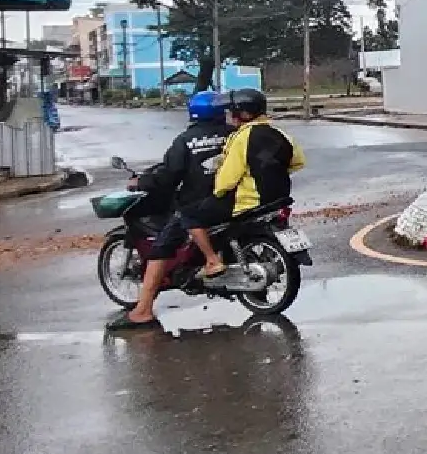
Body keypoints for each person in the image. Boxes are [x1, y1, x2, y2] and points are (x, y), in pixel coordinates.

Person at [107, 90, 233, 331]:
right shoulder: (233, 134)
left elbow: (169, 174)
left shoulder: (186, 140)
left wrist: (142, 182)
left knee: (161, 249)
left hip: (198, 204)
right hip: (233, 200)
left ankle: (143, 311)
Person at [187, 88, 307, 282]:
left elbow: (228, 178)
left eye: (232, 112)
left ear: (243, 114)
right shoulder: (279, 132)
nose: (230, 117)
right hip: (279, 198)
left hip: (248, 202)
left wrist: (217, 192)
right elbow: (298, 162)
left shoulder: (242, 137)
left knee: (190, 215)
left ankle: (212, 261)